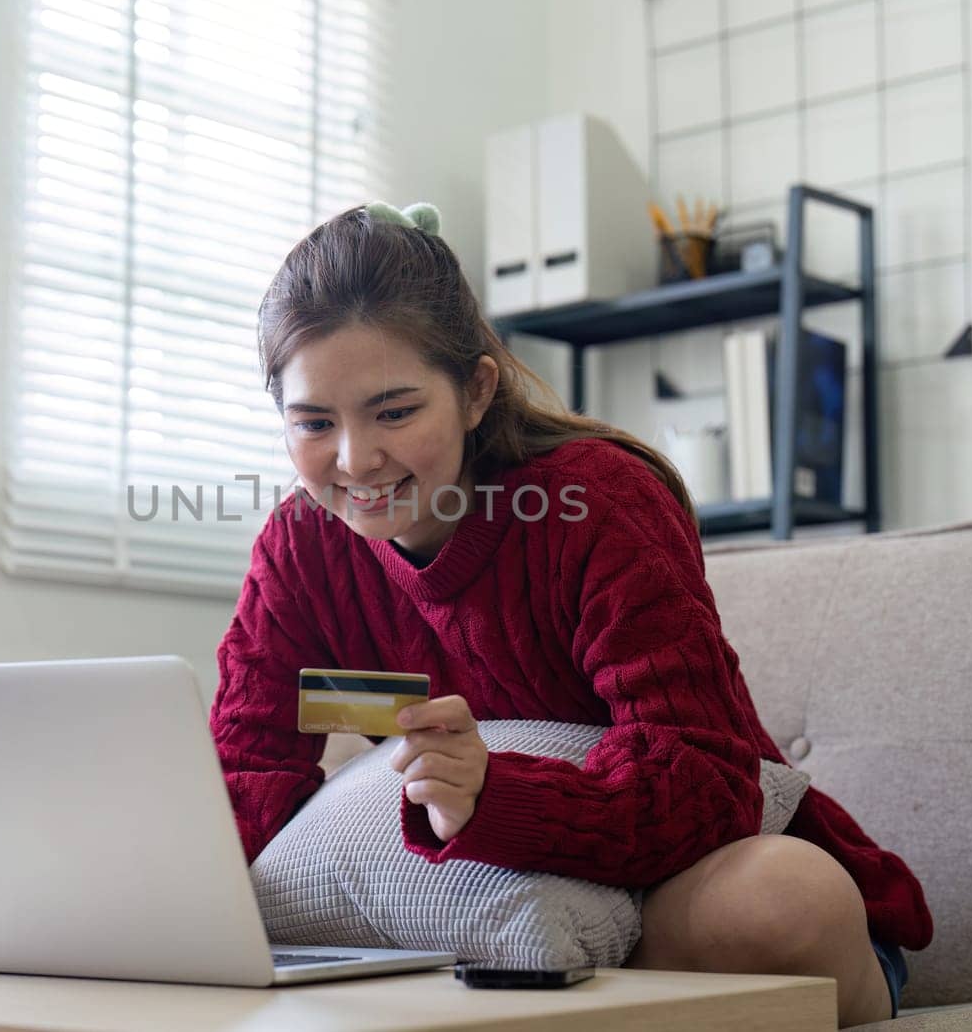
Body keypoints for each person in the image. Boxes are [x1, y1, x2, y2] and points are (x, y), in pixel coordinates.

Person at [207, 202, 930, 1026]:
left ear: (476, 390)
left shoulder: (596, 504)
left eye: (395, 411)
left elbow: (705, 775)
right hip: (492, 913)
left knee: (780, 899)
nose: (355, 458)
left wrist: (495, 797)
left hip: (691, 891)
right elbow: (248, 771)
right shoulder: (301, 547)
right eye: (313, 423)